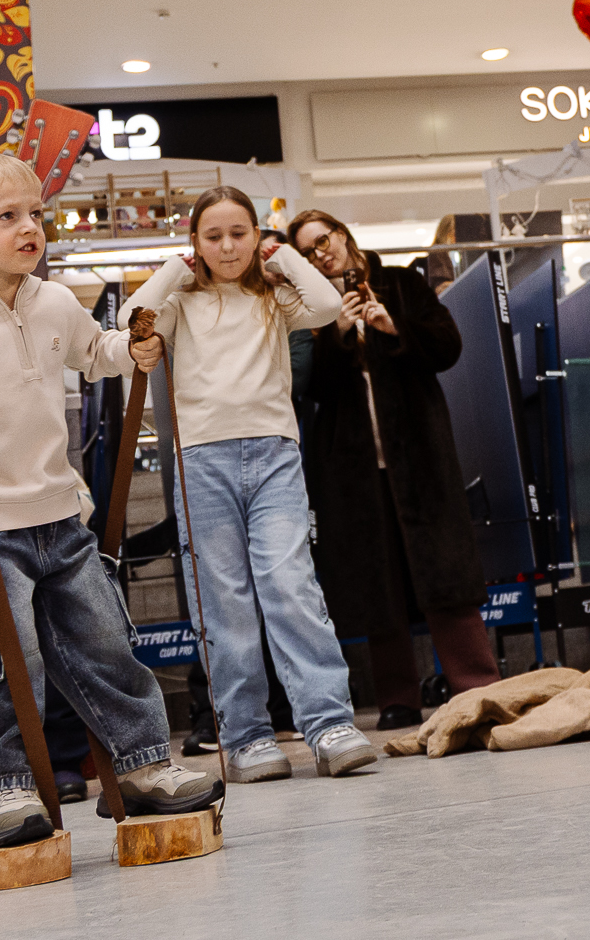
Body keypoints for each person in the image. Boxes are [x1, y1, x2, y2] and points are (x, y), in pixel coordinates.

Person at [0, 150, 223, 847]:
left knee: (105, 642)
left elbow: (96, 353)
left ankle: (142, 762)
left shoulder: (54, 302)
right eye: (7, 216)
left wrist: (131, 352)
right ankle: (3, 786)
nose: (29, 227)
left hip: (61, 516)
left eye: (36, 213)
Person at [126, 187, 379, 782]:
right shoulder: (181, 302)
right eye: (212, 236)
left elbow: (326, 304)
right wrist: (175, 267)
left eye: (239, 234)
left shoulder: (275, 297)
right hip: (201, 461)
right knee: (225, 602)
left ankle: (329, 723)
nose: (227, 247)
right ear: (195, 242)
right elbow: (130, 318)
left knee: (291, 584)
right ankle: (246, 737)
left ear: (257, 237)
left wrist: (282, 254)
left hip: (275, 457)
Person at [286, 210, 499, 732]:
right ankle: (397, 699)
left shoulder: (402, 282)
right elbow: (310, 390)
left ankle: (476, 685)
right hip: (353, 469)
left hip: (421, 456)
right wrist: (337, 332)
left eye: (323, 241)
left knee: (445, 570)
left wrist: (392, 325)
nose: (320, 255)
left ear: (343, 234)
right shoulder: (312, 308)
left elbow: (448, 347)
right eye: (308, 252)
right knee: (377, 579)